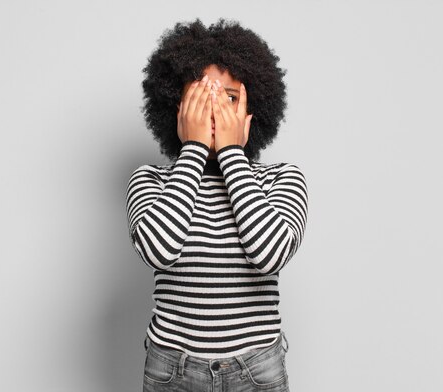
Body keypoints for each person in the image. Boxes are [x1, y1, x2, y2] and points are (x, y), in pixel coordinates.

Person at [125, 17, 309, 392]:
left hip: (256, 371)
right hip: (171, 371)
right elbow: (158, 250)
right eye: (200, 96)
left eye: (228, 98)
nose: (214, 111)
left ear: (252, 108)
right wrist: (192, 149)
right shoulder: (150, 180)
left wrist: (230, 152)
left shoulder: (281, 179)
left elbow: (270, 254)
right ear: (177, 107)